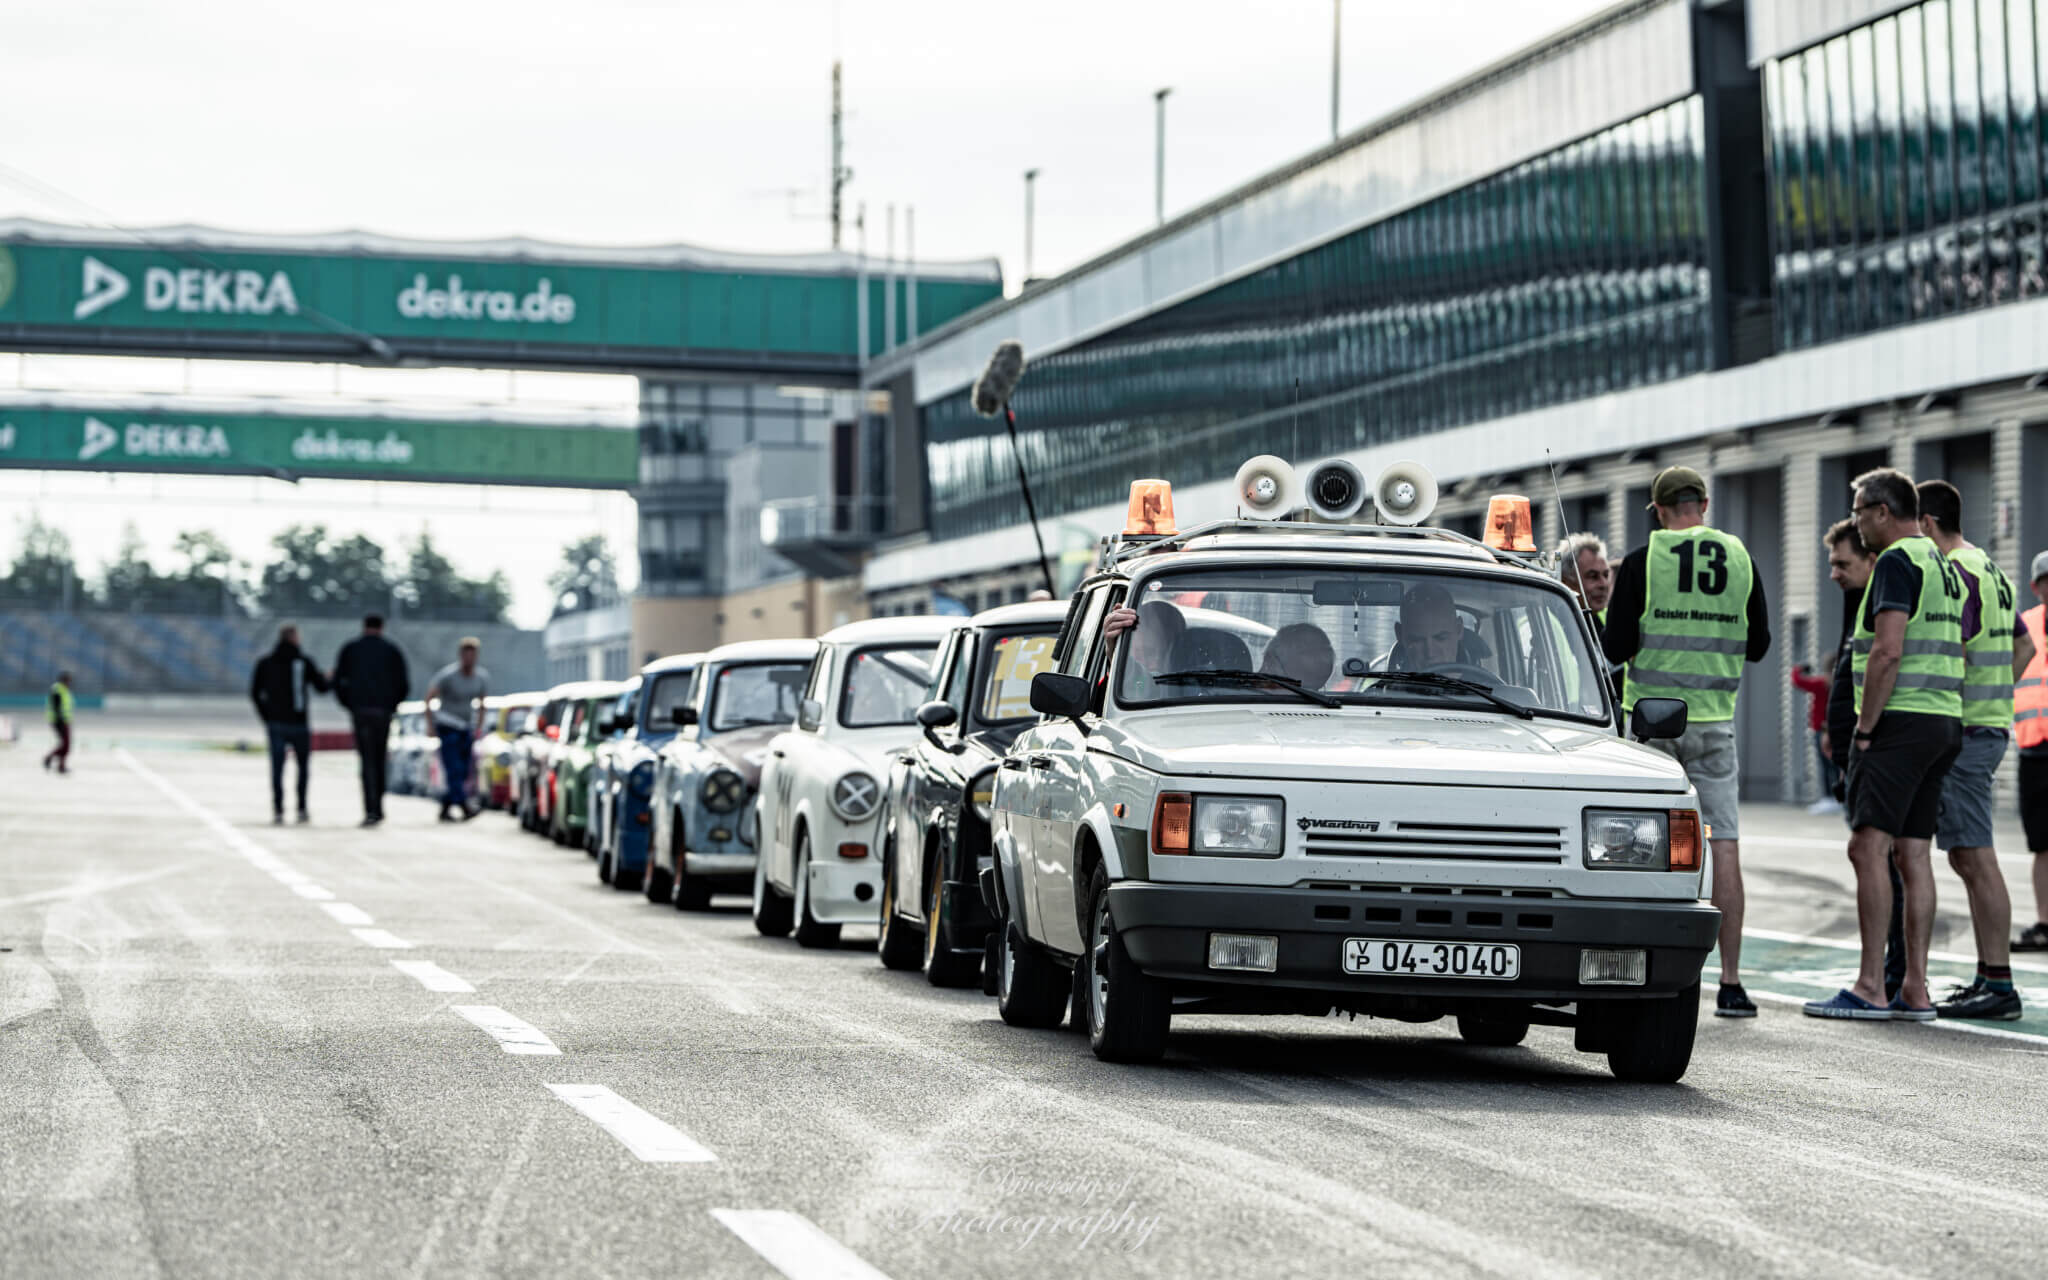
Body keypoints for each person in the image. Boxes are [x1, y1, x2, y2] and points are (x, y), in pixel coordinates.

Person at [1603, 466, 1771, 1018]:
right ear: (1703, 503)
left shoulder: (1642, 561)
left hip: (1652, 724)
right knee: (1723, 843)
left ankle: (1632, 964)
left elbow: (1617, 644)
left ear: (1657, 511)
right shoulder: (1740, 557)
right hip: (1716, 721)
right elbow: (1760, 645)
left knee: (1635, 843)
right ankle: (1732, 982)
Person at [1803, 468, 1963, 1021]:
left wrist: (1865, 728)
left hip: (1901, 722)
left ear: (1881, 512)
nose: (1854, 521)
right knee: (1912, 853)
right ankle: (1914, 990)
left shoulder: (1896, 560)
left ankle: (1871, 985)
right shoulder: (1941, 563)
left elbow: (1887, 651)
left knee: (1866, 848)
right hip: (1944, 719)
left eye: (1857, 510)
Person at [1916, 480, 2031, 1020]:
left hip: (1967, 730)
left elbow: (1953, 644)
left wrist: (1960, 702)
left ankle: (2000, 983)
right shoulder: (1990, 567)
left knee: (1974, 854)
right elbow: (2024, 643)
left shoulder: (1956, 571)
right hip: (1985, 725)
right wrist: (1997, 697)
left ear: (1928, 524)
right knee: (1966, 853)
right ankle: (1990, 976)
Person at [1820, 519, 1905, 1001]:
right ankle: (1891, 973)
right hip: (1854, 752)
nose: (1833, 573)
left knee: (1884, 857)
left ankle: (1889, 975)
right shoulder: (1856, 602)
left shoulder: (1882, 602)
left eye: (1842, 563)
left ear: (1869, 560)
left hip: (1876, 749)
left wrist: (1863, 735)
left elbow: (1882, 663)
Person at [333, 614, 410, 827]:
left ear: (364, 626)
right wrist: (391, 706)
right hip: (382, 713)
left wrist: (349, 705)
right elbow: (403, 683)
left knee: (366, 761)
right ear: (381, 627)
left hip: (361, 712)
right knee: (379, 760)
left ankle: (370, 809)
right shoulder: (391, 650)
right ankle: (379, 807)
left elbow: (338, 680)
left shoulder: (351, 649)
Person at [250, 624, 331, 825]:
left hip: (276, 722)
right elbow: (321, 687)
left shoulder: (266, 662)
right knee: (302, 768)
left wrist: (266, 716)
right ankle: (301, 808)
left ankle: (278, 809)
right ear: (294, 638)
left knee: (277, 768)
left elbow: (255, 692)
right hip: (298, 723)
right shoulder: (303, 662)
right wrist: (330, 678)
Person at [2017, 550, 2048, 954]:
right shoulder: (2023, 625)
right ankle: (2045, 922)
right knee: (2041, 843)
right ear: (2036, 586)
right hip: (2032, 746)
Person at [426, 637, 490, 822]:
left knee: (462, 770)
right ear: (461, 655)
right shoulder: (448, 676)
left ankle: (446, 807)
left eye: (473, 654)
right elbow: (429, 698)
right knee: (453, 767)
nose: (469, 658)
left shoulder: (480, 677)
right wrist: (430, 725)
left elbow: (482, 704)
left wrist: (479, 726)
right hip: (447, 726)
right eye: (466, 654)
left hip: (465, 728)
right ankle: (464, 806)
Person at [1556, 532, 1623, 701]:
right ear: (1565, 581)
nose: (1603, 584)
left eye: (1606, 575)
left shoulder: (1605, 618)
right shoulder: (1547, 624)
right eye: (1592, 576)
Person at [1102, 600, 1186, 699]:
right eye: (1132, 653)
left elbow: (1146, 683)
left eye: (1149, 653)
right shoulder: (1105, 691)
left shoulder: (1181, 689)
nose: (1141, 661)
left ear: (1172, 655)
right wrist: (1115, 652)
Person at [1790, 661, 1837, 814]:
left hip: (1821, 729)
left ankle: (1829, 799)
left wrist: (1798, 669)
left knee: (1825, 765)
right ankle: (1839, 798)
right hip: (1837, 729)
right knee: (1837, 765)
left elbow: (1798, 681)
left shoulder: (1821, 683)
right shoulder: (1841, 684)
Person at [1259, 623, 1336, 689]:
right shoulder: (1253, 700)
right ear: (1272, 661)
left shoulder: (1333, 700)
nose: (1323, 658)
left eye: (1326, 650)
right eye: (1308, 651)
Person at [42, 669, 74, 774]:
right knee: (66, 744)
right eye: (68, 680)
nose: (70, 682)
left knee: (65, 745)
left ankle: (55, 761)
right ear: (64, 680)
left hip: (63, 720)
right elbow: (56, 707)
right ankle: (54, 761)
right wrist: (61, 721)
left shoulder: (63, 689)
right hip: (60, 721)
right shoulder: (58, 690)